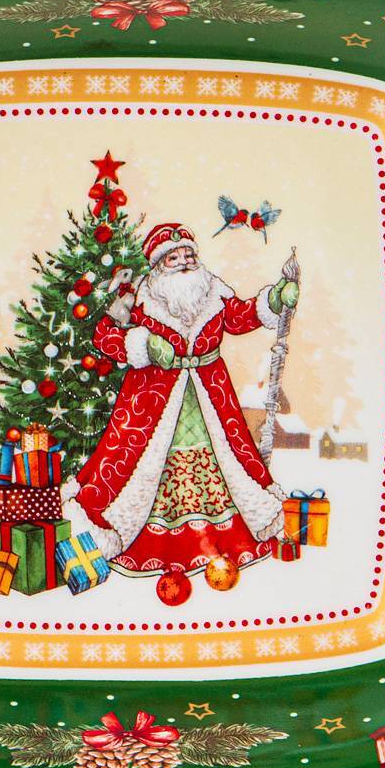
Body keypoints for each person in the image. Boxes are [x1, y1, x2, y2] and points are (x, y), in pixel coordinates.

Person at [63, 222, 299, 576]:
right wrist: (143, 344)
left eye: (189, 254)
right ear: (159, 263)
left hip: (210, 394)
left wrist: (274, 299)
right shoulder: (137, 297)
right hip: (153, 401)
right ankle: (150, 539)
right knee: (146, 466)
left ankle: (219, 538)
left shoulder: (213, 291)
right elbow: (105, 335)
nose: (185, 262)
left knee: (225, 459)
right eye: (174, 257)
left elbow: (239, 317)